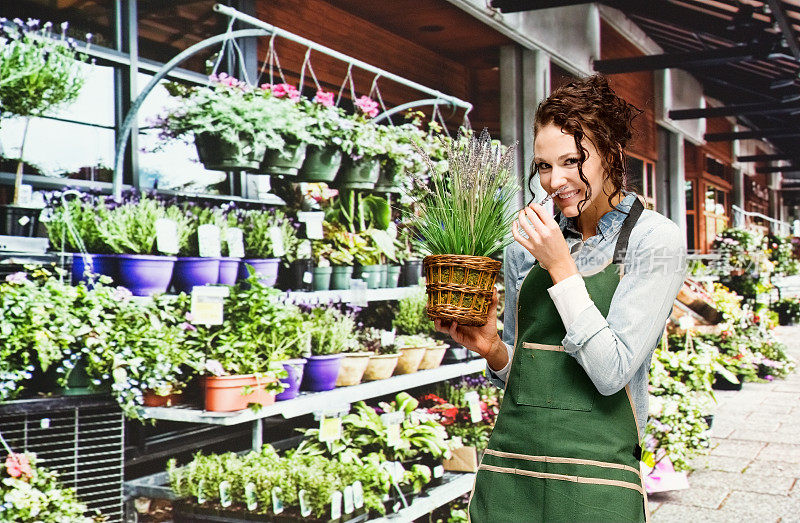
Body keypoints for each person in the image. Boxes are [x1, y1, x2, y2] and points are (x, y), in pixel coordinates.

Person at [434, 75, 686, 522]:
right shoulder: (523, 248)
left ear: (612, 153)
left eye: (572, 161)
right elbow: (523, 376)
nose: (556, 180)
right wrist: (494, 351)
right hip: (512, 474)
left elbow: (612, 373)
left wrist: (561, 268)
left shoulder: (654, 241)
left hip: (595, 485)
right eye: (545, 166)